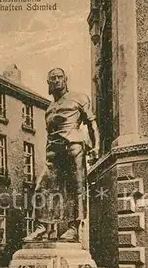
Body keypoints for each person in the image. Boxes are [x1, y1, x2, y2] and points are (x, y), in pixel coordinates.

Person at [25, 68, 100, 242]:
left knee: (77, 186)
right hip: (53, 152)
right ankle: (42, 227)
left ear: (66, 79)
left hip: (73, 147)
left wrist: (96, 147)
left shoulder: (79, 98)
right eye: (53, 78)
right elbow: (50, 134)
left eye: (60, 77)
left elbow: (92, 124)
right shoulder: (49, 108)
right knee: (42, 188)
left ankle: (74, 228)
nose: (57, 80)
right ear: (48, 83)